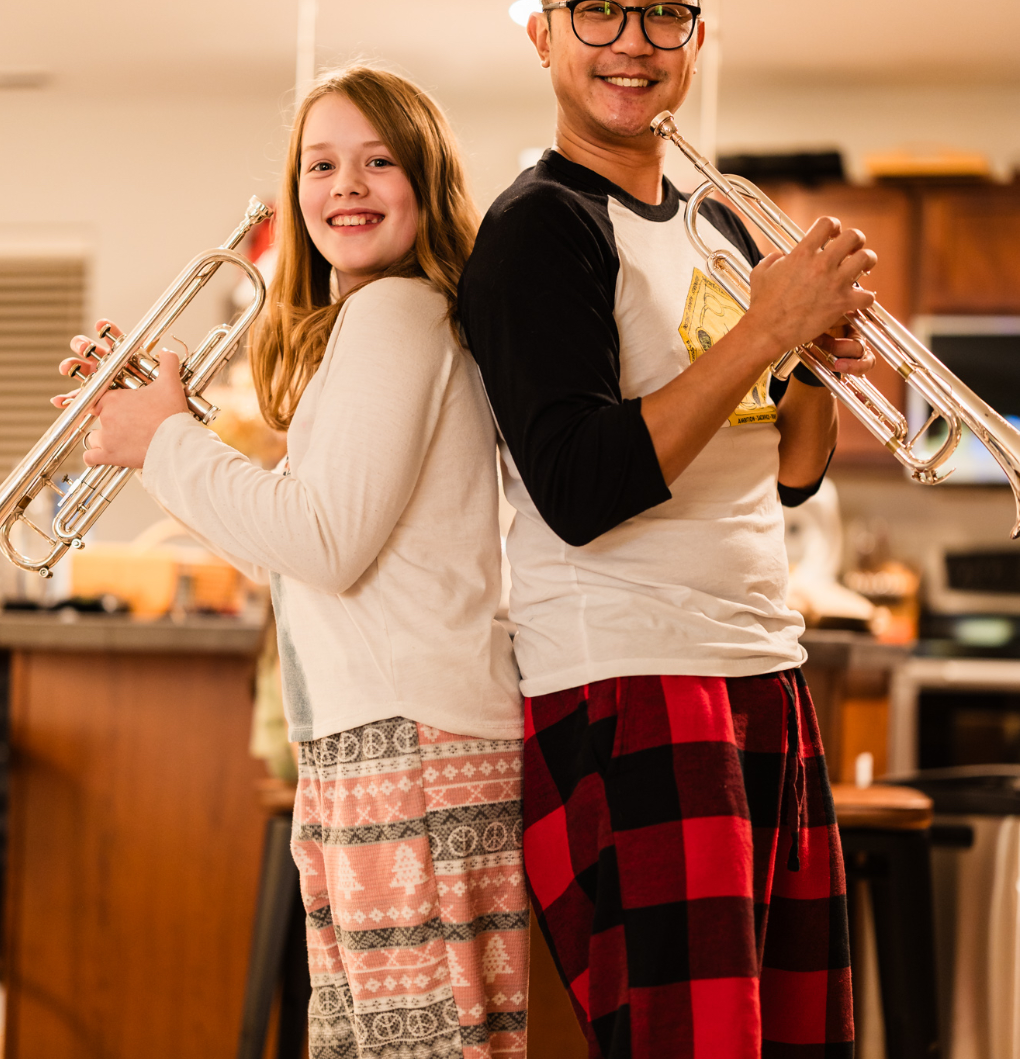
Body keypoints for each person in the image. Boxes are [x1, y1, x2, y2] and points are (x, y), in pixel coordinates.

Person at [56, 66, 528, 1059]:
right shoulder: (380, 323)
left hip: (409, 745)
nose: (345, 186)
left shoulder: (396, 313)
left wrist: (168, 438)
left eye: (377, 161)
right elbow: (301, 558)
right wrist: (148, 439)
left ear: (425, 179)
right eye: (321, 164)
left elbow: (323, 540)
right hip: (381, 740)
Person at [457, 5, 875, 1057]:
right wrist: (764, 332)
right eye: (598, 9)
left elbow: (790, 472)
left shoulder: (723, 224)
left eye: (663, 12)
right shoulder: (536, 227)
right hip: (631, 674)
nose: (632, 40)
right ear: (543, 38)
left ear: (698, 37)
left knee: (792, 1039)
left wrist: (811, 358)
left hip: (760, 667)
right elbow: (580, 489)